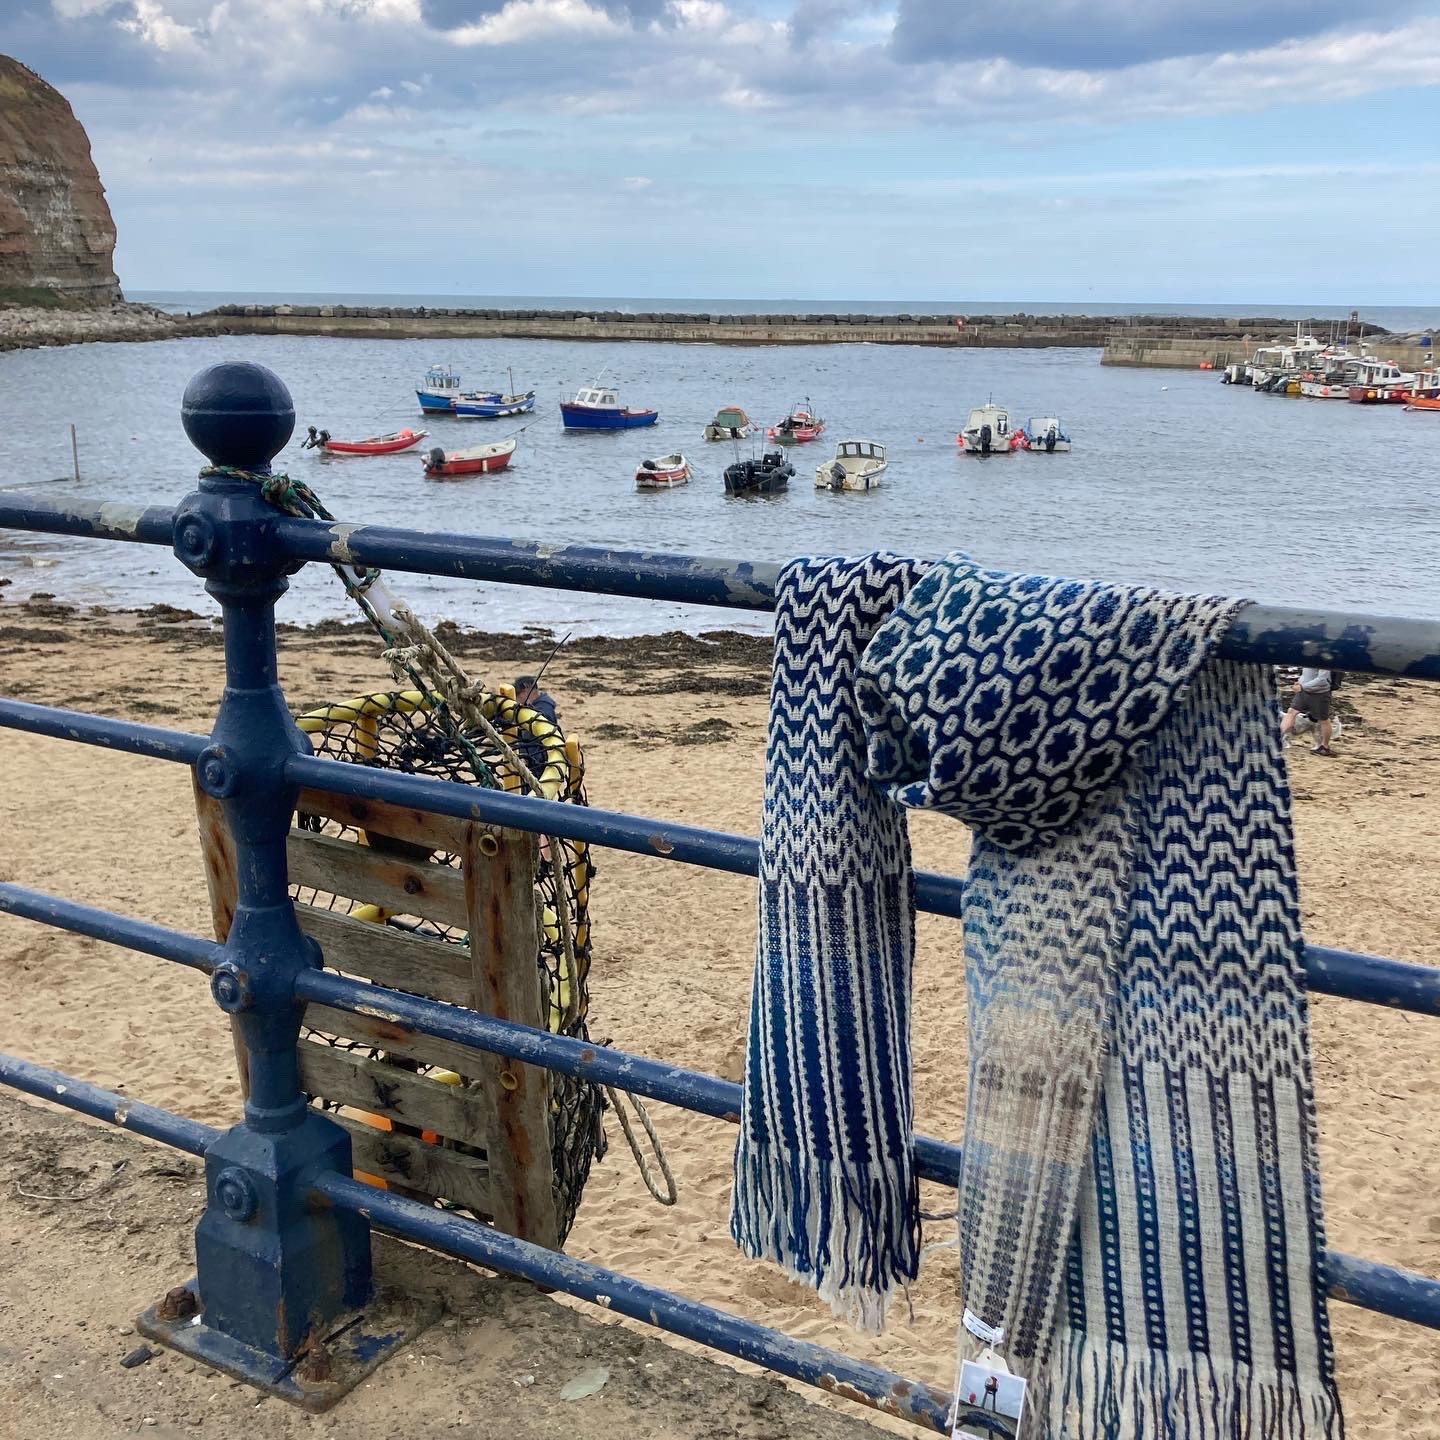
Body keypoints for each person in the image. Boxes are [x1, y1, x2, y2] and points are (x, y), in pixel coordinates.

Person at [1280, 667, 1334, 755]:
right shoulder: (1324, 657)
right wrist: (1300, 684)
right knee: (1324, 720)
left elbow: (1318, 678)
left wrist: (1301, 684)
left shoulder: (1307, 655)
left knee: (1291, 713)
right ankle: (1325, 747)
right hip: (1317, 693)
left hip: (1308, 691)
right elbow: (1322, 680)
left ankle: (1278, 740)